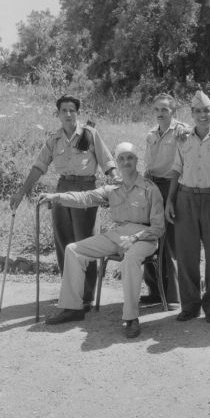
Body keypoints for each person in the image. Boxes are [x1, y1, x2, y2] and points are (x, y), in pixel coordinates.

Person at [38, 142, 165, 338]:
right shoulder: (112, 189)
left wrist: (136, 237)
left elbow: (158, 228)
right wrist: (56, 197)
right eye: (121, 158)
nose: (126, 162)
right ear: (117, 163)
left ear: (136, 161)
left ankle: (131, 318)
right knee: (73, 250)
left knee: (130, 259)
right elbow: (85, 197)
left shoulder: (150, 188)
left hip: (144, 238)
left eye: (130, 157)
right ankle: (73, 308)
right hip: (118, 235)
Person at [10, 95, 119, 310]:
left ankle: (86, 296)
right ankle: (70, 289)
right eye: (64, 111)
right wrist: (22, 191)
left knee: (85, 241)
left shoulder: (90, 134)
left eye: (72, 110)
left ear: (77, 113)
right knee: (63, 240)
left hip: (86, 189)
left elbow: (107, 161)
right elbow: (39, 166)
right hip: (62, 189)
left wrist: (117, 182)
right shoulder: (54, 139)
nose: (68, 114)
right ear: (58, 114)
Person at [165, 90, 210, 325]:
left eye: (207, 110)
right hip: (185, 198)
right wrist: (170, 201)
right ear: (192, 114)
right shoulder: (184, 138)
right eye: (198, 111)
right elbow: (177, 169)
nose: (203, 115)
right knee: (187, 254)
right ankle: (190, 306)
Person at [142, 93, 190, 310]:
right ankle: (154, 291)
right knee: (151, 238)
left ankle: (174, 295)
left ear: (173, 112)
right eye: (157, 110)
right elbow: (148, 163)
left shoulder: (182, 131)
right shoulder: (151, 134)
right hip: (151, 186)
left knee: (170, 241)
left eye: (165, 110)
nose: (160, 114)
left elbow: (184, 161)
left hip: (171, 185)